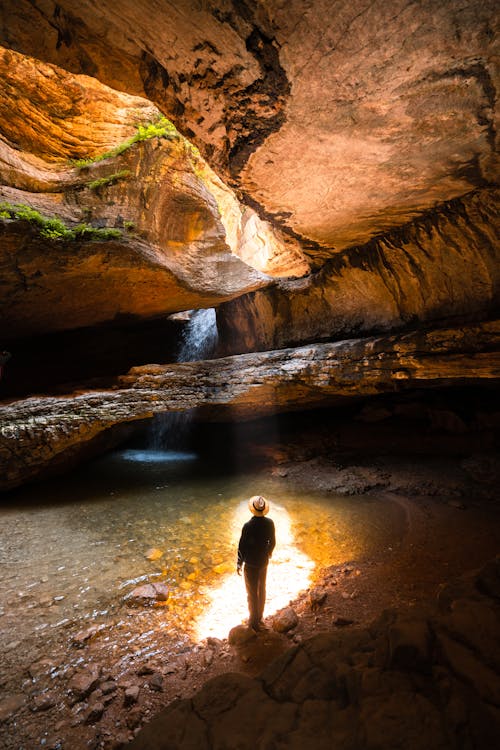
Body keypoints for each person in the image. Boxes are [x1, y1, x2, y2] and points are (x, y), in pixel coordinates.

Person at [237, 495, 276, 631]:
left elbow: (242, 547)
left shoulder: (247, 526)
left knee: (252, 593)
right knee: (262, 589)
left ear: (252, 509)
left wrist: (239, 563)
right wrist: (268, 553)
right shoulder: (270, 523)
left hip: (251, 564)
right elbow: (272, 542)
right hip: (263, 562)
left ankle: (253, 623)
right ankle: (259, 617)